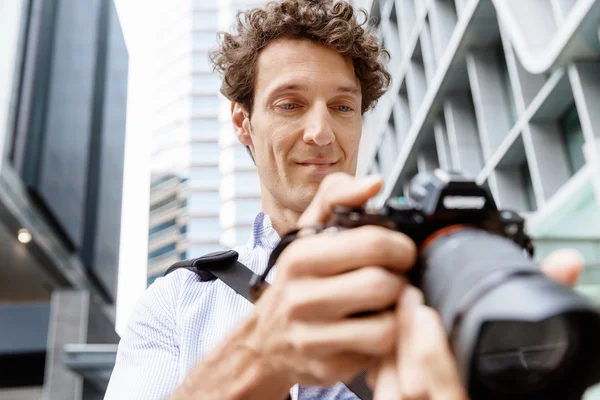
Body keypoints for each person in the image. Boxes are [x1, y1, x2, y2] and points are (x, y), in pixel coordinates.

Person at [104, 1, 585, 399]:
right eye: (289, 104)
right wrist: (261, 355)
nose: (321, 133)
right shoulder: (178, 302)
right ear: (243, 122)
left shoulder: (445, 272)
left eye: (342, 107)